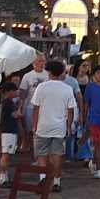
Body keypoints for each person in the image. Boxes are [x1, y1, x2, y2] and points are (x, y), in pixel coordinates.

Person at [31, 58, 78, 189]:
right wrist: (68, 127)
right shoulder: (68, 89)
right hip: (60, 127)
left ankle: (43, 178)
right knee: (57, 154)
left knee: (41, 154)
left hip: (43, 125)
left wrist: (33, 124)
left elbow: (35, 108)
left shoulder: (41, 87)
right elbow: (70, 111)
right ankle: (56, 182)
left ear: (49, 72)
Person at [16, 52, 48, 152]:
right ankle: (33, 151)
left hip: (45, 108)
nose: (42, 63)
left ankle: (42, 150)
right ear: (34, 62)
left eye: (43, 61)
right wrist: (20, 107)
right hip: (31, 106)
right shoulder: (27, 76)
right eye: (40, 61)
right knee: (30, 130)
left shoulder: (48, 75)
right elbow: (23, 93)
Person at [0, 75, 21, 186]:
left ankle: (5, 177)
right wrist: (19, 109)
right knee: (5, 154)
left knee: (7, 154)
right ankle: (2, 178)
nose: (15, 92)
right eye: (13, 91)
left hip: (9, 130)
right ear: (7, 92)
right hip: (8, 130)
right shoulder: (8, 102)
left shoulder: (7, 102)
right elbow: (14, 115)